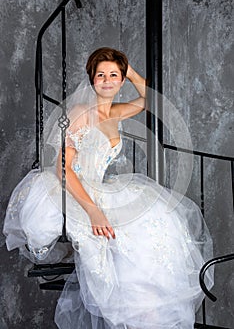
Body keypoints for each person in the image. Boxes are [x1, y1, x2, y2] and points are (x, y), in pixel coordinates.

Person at [3, 47, 213, 329]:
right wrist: (94, 213)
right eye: (100, 74)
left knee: (156, 227)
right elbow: (63, 169)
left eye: (114, 75)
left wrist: (128, 70)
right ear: (91, 79)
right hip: (76, 191)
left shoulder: (115, 112)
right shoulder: (79, 113)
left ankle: (151, 315)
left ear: (122, 79)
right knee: (127, 242)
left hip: (103, 186)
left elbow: (151, 100)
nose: (107, 80)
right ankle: (143, 315)